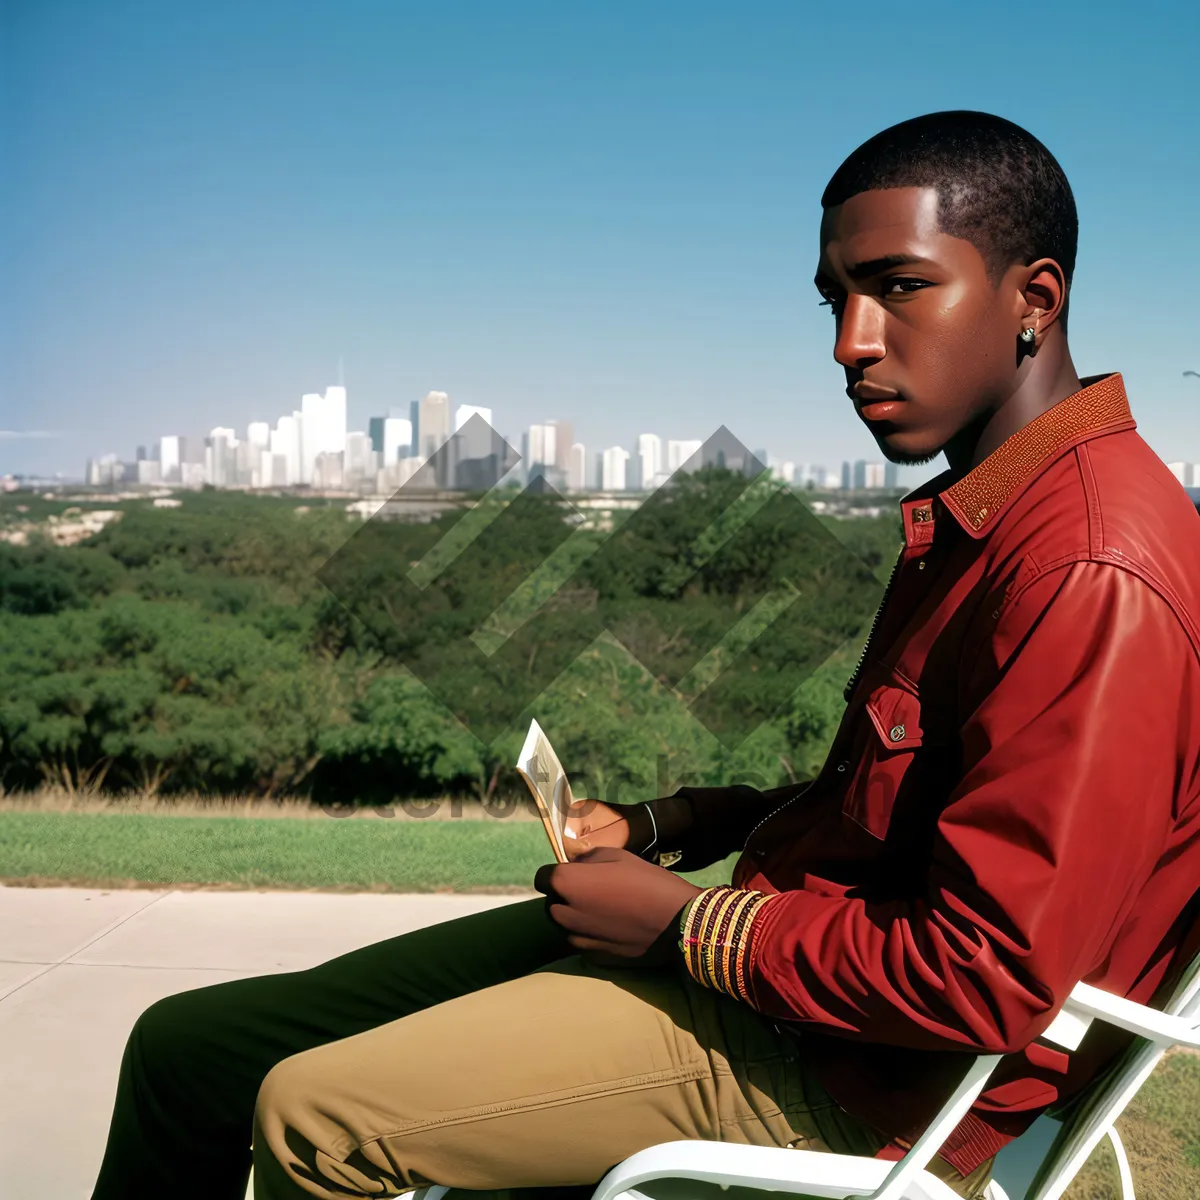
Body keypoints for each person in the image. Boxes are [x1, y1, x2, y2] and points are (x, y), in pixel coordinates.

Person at [91, 111, 1200, 1200]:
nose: (849, 341)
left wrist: (681, 923)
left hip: (851, 1084)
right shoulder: (995, 517)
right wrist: (669, 829)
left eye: (899, 286)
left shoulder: (1087, 569)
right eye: (835, 298)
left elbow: (986, 975)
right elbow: (894, 805)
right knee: (191, 1048)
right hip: (786, 983)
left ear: (1033, 298)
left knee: (314, 1116)